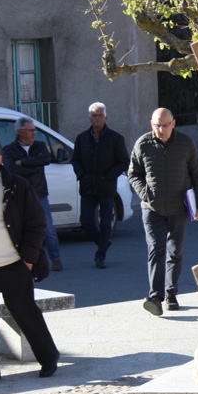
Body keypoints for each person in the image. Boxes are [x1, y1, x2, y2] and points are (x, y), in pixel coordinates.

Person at [0, 141, 60, 383]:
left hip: (13, 265)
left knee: (25, 313)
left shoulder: (15, 186)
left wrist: (28, 260)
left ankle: (48, 358)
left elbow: (37, 223)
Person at [128, 108, 198, 316]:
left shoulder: (185, 143)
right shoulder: (143, 144)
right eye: (157, 125)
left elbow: (197, 173)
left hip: (179, 207)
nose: (161, 129)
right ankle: (156, 296)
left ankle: (171, 293)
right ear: (151, 124)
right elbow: (133, 173)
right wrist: (145, 194)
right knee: (156, 249)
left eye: (165, 125)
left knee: (175, 252)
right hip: (152, 209)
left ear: (173, 124)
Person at [71, 102, 129, 269]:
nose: (97, 119)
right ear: (90, 118)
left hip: (106, 187)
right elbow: (75, 160)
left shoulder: (115, 139)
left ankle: (100, 255)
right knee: (86, 221)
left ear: (106, 117)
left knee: (105, 223)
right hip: (88, 187)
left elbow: (123, 162)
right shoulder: (82, 138)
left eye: (100, 115)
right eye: (94, 116)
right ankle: (103, 242)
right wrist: (81, 174)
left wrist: (109, 176)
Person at [1, 117, 63, 271]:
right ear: (20, 132)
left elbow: (46, 159)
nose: (34, 133)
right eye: (31, 130)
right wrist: (33, 167)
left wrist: (22, 162)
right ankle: (24, 261)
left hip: (39, 193)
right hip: (19, 196)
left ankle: (56, 259)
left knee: (48, 228)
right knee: (21, 229)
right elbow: (10, 169)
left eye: (34, 130)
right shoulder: (9, 149)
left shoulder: (40, 146)